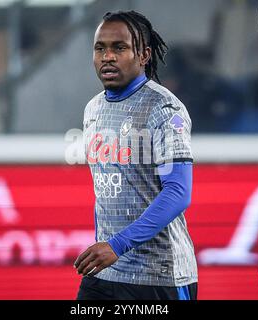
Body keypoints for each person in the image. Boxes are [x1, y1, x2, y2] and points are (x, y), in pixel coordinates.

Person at [74, 10, 198, 300]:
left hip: (158, 276)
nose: (107, 56)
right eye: (100, 48)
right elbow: (106, 191)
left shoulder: (164, 109)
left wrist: (118, 244)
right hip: (105, 273)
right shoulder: (92, 110)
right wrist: (107, 245)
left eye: (119, 48)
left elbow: (178, 192)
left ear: (143, 55)